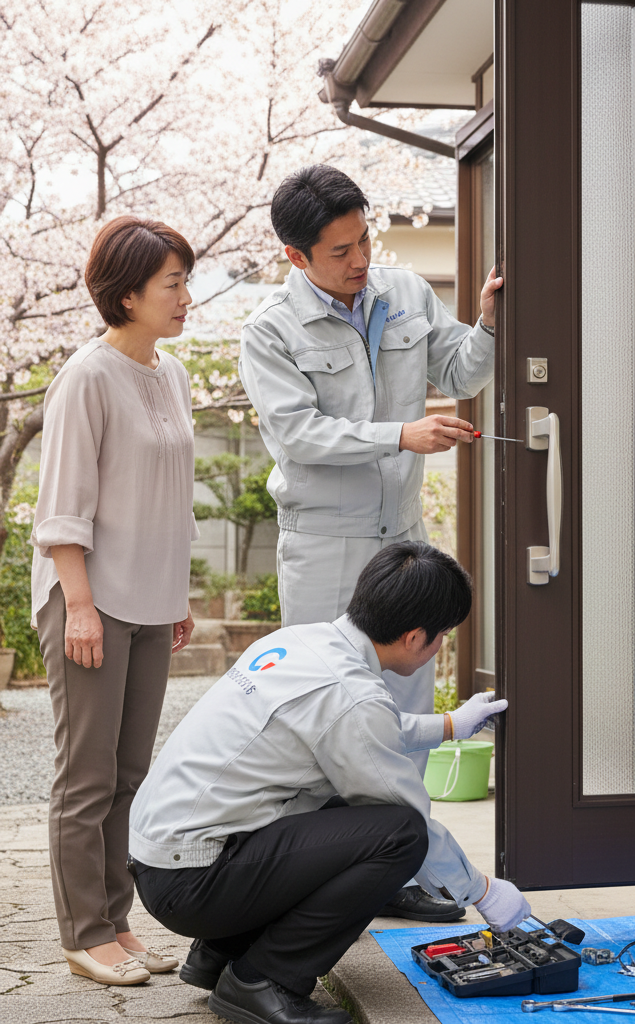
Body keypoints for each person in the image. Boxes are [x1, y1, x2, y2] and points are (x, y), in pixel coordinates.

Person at [238, 164, 501, 922]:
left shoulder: (406, 293)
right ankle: (311, 872)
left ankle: (401, 871)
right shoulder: (271, 331)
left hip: (402, 538)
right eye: (339, 251)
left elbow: (462, 370)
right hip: (324, 546)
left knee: (404, 708)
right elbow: (298, 436)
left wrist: (486, 322)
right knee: (323, 713)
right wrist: (402, 434)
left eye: (363, 240)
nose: (359, 261)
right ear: (295, 257)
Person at [128, 542, 530, 1024]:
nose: (441, 645)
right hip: (193, 881)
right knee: (399, 834)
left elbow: (363, 728)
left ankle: (220, 952)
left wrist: (450, 724)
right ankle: (264, 980)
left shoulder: (303, 643)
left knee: (345, 813)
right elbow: (401, 803)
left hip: (165, 856)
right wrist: (483, 891)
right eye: (443, 635)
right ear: (413, 636)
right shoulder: (350, 697)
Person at [30, 216, 200, 986]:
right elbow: (62, 506)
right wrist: (82, 606)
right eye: (173, 284)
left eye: (184, 282)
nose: (186, 297)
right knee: (87, 775)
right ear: (127, 294)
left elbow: (171, 498)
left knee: (132, 772)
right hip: (90, 599)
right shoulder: (87, 377)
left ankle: (117, 921)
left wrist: (178, 593)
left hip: (151, 599)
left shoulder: (172, 373)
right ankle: (83, 931)